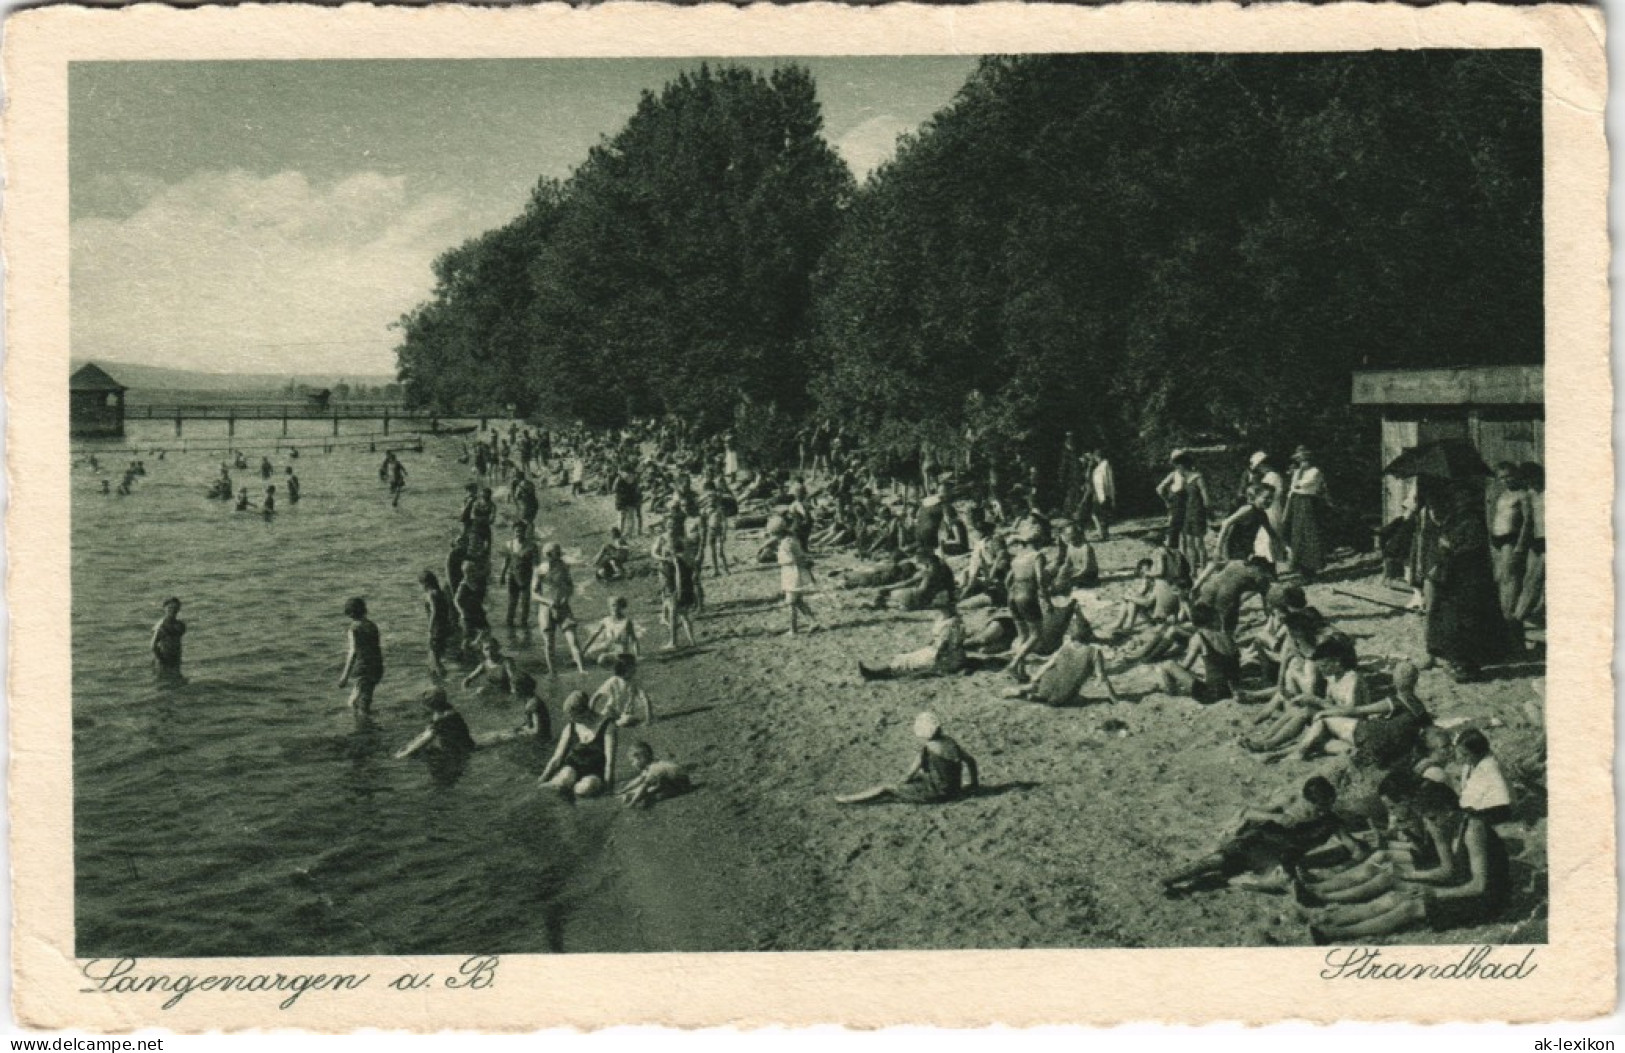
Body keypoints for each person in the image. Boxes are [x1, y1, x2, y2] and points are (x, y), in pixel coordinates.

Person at [1305, 777, 1510, 942]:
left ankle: (1338, 934)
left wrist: (1434, 892)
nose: (1431, 824)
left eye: (1432, 817)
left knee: (1411, 906)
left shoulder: (1474, 830)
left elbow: (1479, 886)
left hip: (1484, 901)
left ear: (1448, 810)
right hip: (1460, 884)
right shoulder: (1449, 825)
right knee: (1398, 894)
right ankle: (1334, 919)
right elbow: (1449, 869)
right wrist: (1414, 880)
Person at [1161, 777, 1363, 894]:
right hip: (1258, 842)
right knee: (1217, 860)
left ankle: (1234, 882)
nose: (1321, 813)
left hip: (1281, 857)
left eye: (1326, 807)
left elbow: (1353, 846)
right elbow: (1249, 812)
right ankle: (1179, 876)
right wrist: (1275, 817)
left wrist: (1352, 864)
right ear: (1305, 799)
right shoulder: (1289, 803)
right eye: (1317, 808)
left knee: (1284, 881)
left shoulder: (1330, 821)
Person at [1419, 476, 1511, 682]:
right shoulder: (1453, 518)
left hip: (1468, 577)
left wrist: (1450, 547)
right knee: (1451, 621)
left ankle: (1467, 667)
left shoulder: (1473, 520)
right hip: (1452, 577)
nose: (1460, 500)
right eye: (1457, 496)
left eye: (1463, 496)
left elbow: (1473, 548)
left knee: (1465, 622)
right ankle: (1453, 660)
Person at [835, 712, 980, 805]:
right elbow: (971, 761)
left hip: (939, 793)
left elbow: (909, 774)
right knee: (921, 779)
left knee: (886, 788)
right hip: (954, 789)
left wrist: (900, 786)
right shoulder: (950, 742)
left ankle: (849, 799)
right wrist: (973, 784)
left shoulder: (927, 749)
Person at [1002, 608, 1121, 705]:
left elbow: (1048, 664)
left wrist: (1035, 677)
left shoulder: (1065, 646)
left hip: (1045, 685)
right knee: (1080, 699)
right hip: (1064, 696)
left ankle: (1026, 691)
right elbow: (1102, 677)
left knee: (1040, 685)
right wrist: (1113, 697)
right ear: (1089, 635)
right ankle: (1032, 696)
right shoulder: (1094, 652)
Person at [858, 597, 966, 681]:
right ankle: (877, 672)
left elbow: (944, 647)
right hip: (939, 652)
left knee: (906, 662)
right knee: (906, 658)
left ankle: (875, 674)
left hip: (945, 657)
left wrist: (936, 664)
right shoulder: (944, 617)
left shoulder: (952, 623)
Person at [1155, 602, 1241, 704]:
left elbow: (1185, 666)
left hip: (1212, 694)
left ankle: (1172, 694)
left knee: (1168, 665)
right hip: (1233, 688)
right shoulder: (1226, 636)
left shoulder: (1199, 637)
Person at [540, 690, 618, 798]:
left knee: (584, 789)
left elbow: (610, 763)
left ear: (585, 712)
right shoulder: (571, 727)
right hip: (573, 767)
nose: (572, 719)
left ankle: (571, 790)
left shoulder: (608, 726)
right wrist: (542, 779)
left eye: (574, 716)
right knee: (563, 780)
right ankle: (556, 786)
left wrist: (609, 789)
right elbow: (557, 758)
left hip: (595, 772)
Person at [1488, 461, 1533, 625]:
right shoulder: (1502, 495)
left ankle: (1509, 616)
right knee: (1500, 578)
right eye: (1502, 478)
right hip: (1498, 542)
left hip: (1511, 541)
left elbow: (1528, 522)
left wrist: (1520, 546)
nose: (1506, 480)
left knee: (1511, 579)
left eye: (1509, 476)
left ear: (1516, 475)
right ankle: (1503, 614)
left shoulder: (1523, 495)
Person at [533, 543, 587, 675]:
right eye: (556, 554)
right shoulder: (540, 570)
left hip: (563, 607)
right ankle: (552, 672)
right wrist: (548, 602)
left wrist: (565, 597)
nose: (559, 556)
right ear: (548, 555)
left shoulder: (564, 567)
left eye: (559, 553)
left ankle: (581, 669)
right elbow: (534, 594)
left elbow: (570, 586)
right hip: (546, 609)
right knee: (549, 643)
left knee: (573, 638)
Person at [1157, 450, 1212, 574]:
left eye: (1178, 466)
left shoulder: (1198, 477)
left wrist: (1208, 512)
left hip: (1197, 512)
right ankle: (1192, 570)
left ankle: (1203, 569)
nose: (1177, 469)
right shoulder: (1185, 479)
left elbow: (1206, 498)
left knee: (1199, 543)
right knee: (1189, 542)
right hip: (1188, 512)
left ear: (1182, 465)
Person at [1281, 446, 1330, 578]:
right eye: (1301, 459)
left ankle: (1311, 568)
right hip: (1296, 503)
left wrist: (1296, 484)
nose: (1303, 462)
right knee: (1297, 534)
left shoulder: (1315, 471)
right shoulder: (1297, 472)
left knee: (1309, 534)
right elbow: (1292, 489)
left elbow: (1302, 485)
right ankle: (1302, 569)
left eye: (1305, 459)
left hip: (1308, 502)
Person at [394, 688, 477, 761]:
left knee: (420, 755)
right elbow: (425, 734)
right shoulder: (445, 710)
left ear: (431, 705)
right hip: (463, 746)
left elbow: (427, 738)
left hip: (460, 751)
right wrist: (408, 746)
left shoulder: (443, 717)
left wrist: (404, 754)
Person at [775, 518, 824, 636]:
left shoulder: (787, 543)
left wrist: (782, 559)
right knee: (798, 601)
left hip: (792, 573)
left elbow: (793, 558)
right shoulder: (791, 539)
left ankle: (793, 629)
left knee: (791, 602)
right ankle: (813, 622)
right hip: (794, 572)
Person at [1454, 728, 1513, 824]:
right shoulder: (1471, 764)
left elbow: (1503, 798)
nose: (1462, 758)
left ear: (1478, 752)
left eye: (1465, 755)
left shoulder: (1490, 766)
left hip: (1497, 810)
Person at [1216, 483, 1282, 566]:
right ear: (1256, 497)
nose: (1269, 501)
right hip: (1234, 548)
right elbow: (1226, 523)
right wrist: (1218, 549)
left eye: (1271, 499)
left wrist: (1280, 545)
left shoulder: (1262, 514)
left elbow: (1271, 532)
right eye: (1266, 498)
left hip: (1247, 549)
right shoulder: (1248, 509)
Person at [337, 597, 384, 715]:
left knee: (354, 703)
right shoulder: (372, 625)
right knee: (364, 700)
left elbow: (353, 652)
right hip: (376, 667)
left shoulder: (354, 629)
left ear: (350, 613)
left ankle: (363, 728)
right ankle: (368, 725)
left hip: (363, 668)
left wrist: (344, 677)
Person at [1512, 462, 1545, 626]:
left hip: (1548, 540)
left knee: (1538, 579)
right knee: (1529, 579)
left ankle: (1521, 615)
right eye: (1527, 480)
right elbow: (1528, 520)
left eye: (1531, 479)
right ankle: (1521, 614)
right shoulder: (1531, 494)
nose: (1530, 483)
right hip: (1536, 540)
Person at [617, 742, 692, 809]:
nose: (632, 764)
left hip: (682, 785)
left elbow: (644, 786)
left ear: (641, 758)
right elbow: (639, 779)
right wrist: (624, 790)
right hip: (673, 781)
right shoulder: (652, 765)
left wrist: (632, 803)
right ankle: (633, 795)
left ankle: (636, 798)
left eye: (633, 761)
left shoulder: (654, 769)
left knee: (654, 795)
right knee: (653, 787)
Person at [589, 653, 654, 727]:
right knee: (604, 715)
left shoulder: (635, 682)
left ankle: (610, 724)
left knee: (628, 719)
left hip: (625, 713)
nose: (636, 668)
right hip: (611, 710)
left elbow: (645, 699)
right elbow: (595, 696)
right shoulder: (613, 681)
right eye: (633, 666)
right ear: (624, 669)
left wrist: (648, 719)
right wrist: (591, 714)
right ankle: (607, 723)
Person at [499, 521, 540, 632]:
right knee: (512, 601)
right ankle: (509, 625)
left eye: (521, 531)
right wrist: (502, 575)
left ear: (525, 532)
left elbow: (536, 564)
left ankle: (524, 624)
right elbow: (506, 561)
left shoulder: (531, 546)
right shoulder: (509, 544)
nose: (519, 533)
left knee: (525, 602)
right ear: (513, 532)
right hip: (512, 576)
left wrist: (537, 579)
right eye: (517, 531)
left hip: (526, 577)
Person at [580, 596, 642, 668]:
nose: (615, 608)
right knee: (588, 655)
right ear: (609, 607)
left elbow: (634, 640)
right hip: (607, 648)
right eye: (613, 605)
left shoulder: (627, 622)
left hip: (620, 651)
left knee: (601, 660)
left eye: (617, 605)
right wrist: (583, 650)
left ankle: (617, 662)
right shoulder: (606, 621)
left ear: (621, 606)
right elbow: (593, 636)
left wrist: (637, 656)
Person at [419, 570, 454, 677]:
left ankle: (443, 680)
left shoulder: (431, 594)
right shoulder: (441, 593)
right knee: (434, 657)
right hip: (444, 627)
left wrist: (430, 629)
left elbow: (434, 611)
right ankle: (436, 679)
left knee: (435, 658)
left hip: (436, 629)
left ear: (425, 583)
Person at [453, 559, 490, 652]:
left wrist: (487, 604)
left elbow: (481, 596)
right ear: (465, 573)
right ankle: (464, 654)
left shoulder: (475, 582)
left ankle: (476, 646)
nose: (472, 573)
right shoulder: (463, 585)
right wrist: (462, 612)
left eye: (474, 570)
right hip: (468, 614)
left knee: (486, 630)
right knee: (467, 636)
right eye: (470, 571)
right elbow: (456, 600)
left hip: (478, 611)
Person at [150, 596, 186, 680]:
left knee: (178, 681)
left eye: (176, 608)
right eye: (170, 608)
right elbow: (153, 645)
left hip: (176, 658)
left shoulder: (180, 625)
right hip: (163, 659)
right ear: (164, 609)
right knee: (164, 682)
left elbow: (177, 641)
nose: (173, 611)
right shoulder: (161, 626)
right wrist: (162, 660)